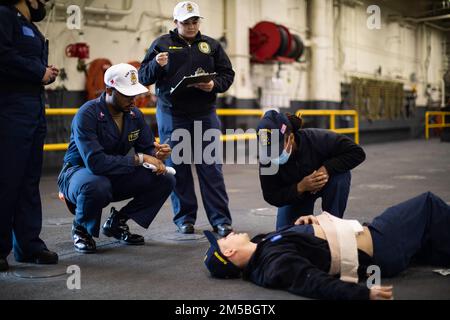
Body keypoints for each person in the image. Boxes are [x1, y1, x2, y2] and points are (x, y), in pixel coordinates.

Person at [203, 192, 450, 300]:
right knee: (427, 205)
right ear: (229, 252)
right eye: (224, 239)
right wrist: (363, 294)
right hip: (381, 243)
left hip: (373, 235)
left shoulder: (263, 246)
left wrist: (307, 225)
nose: (230, 233)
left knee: (431, 239)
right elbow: (312, 281)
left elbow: (299, 245)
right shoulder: (273, 262)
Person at [138, 1, 235, 237]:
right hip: (173, 114)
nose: (191, 26)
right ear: (175, 23)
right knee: (177, 167)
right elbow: (142, 77)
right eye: (185, 22)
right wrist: (156, 65)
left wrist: (213, 84)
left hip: (205, 113)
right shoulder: (161, 44)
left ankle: (221, 220)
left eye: (194, 22)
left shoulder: (211, 46)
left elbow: (227, 74)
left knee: (210, 168)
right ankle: (185, 219)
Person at [57, 63, 175, 253]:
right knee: (96, 184)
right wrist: (141, 158)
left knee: (165, 178)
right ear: (109, 90)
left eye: (134, 94)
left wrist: (156, 154)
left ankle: (117, 222)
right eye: (127, 94)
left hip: (112, 172)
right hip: (79, 173)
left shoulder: (134, 114)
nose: (133, 99)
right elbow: (95, 163)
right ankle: (81, 229)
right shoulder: (87, 114)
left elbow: (147, 149)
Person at [0, 0, 59, 272]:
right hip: (10, 107)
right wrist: (39, 71)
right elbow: (3, 54)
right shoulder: (3, 15)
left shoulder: (29, 26)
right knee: (7, 178)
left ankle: (28, 245)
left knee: (28, 180)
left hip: (33, 106)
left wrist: (45, 74)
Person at [257, 110, 366, 230]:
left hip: (326, 183)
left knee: (340, 175)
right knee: (285, 236)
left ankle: (333, 225)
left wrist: (326, 170)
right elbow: (271, 195)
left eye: (277, 150)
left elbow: (357, 152)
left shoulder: (318, 139)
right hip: (296, 195)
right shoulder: (266, 160)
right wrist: (300, 187)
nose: (273, 156)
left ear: (291, 137)